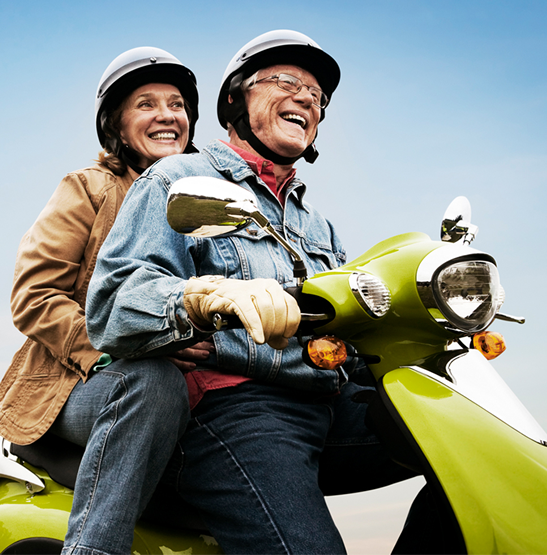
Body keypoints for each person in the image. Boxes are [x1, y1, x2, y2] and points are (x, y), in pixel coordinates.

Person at [87, 30, 417, 554]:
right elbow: (113, 304)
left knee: (478, 455)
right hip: (240, 405)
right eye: (287, 81)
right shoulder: (181, 176)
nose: (307, 97)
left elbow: (349, 329)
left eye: (318, 95)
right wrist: (202, 297)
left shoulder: (318, 225)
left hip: (331, 401)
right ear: (236, 98)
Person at [0, 47, 211, 555]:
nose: (167, 115)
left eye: (177, 104)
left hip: (193, 394)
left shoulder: (212, 204)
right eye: (146, 103)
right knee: (153, 380)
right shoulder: (89, 189)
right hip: (77, 385)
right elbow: (34, 294)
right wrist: (125, 344)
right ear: (115, 126)